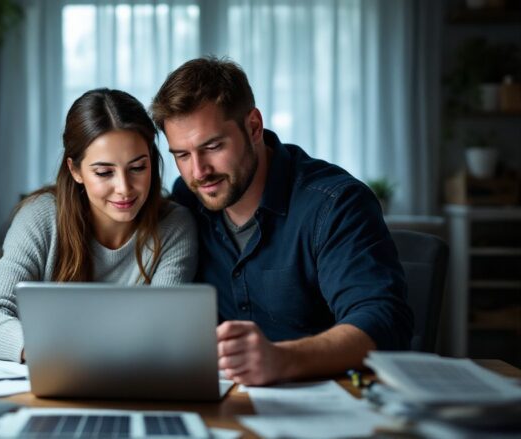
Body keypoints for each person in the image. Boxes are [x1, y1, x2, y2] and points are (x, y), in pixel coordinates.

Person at [150, 57, 413, 386]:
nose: (199, 171)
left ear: (254, 127)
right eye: (182, 155)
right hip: (228, 406)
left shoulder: (335, 204)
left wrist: (282, 359)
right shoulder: (189, 200)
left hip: (331, 402)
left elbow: (386, 322)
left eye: (213, 146)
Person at [0, 88, 198, 363]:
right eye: (104, 172)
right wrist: (55, 352)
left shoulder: (174, 226)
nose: (124, 188)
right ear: (75, 170)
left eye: (138, 168)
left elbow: (163, 334)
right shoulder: (40, 217)